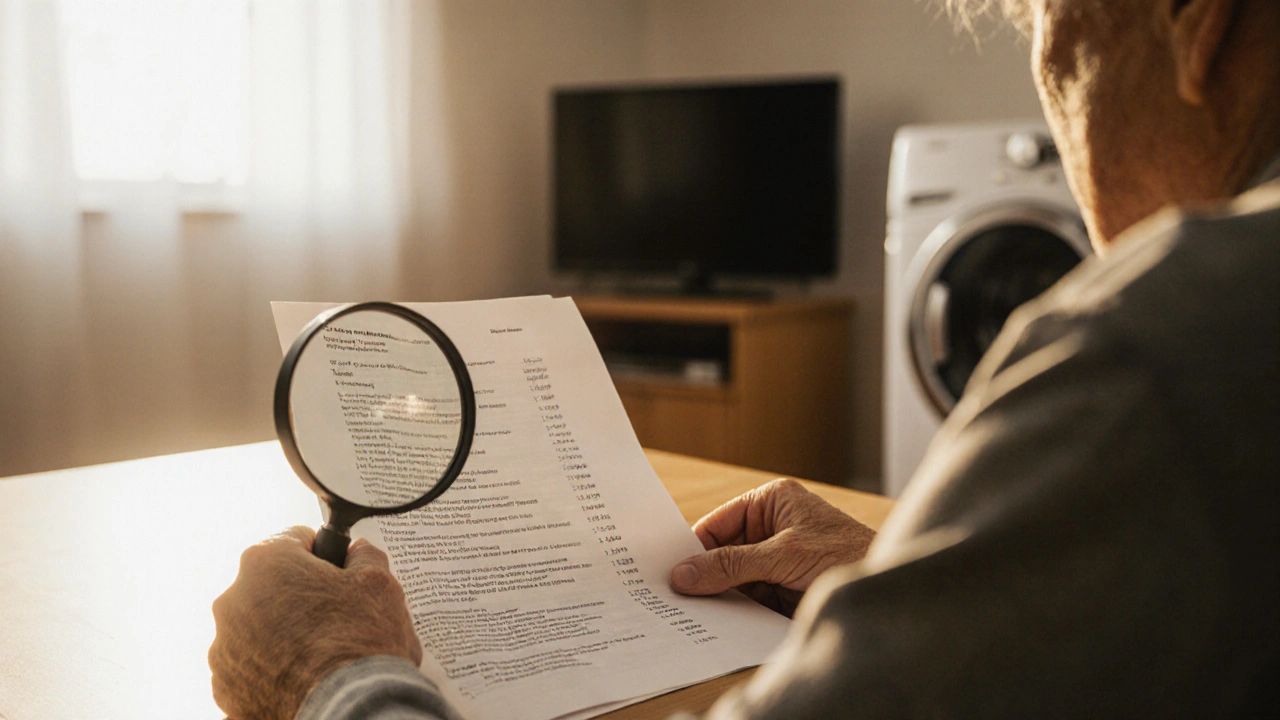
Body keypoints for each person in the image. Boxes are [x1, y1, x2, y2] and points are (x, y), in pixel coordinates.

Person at [209, 0, 1280, 717]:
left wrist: (334, 677)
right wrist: (904, 577)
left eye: (1051, 36)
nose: (1051, 89)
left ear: (1197, 27)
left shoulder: (1164, 340)